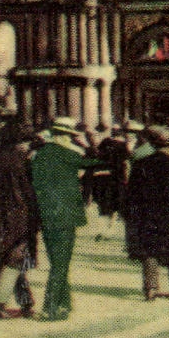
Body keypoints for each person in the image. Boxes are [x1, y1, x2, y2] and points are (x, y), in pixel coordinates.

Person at [28, 117, 102, 320]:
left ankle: (64, 304)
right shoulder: (67, 154)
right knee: (60, 264)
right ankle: (50, 307)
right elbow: (95, 161)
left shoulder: (39, 155)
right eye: (70, 137)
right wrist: (88, 144)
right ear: (64, 136)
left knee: (57, 261)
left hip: (46, 215)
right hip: (65, 216)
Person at [124, 127, 169, 302]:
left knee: (150, 250)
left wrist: (130, 213)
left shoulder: (140, 164)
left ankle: (151, 287)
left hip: (146, 213)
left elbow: (131, 192)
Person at [0, 123, 39, 319]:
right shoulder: (20, 162)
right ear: (17, 142)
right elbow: (28, 193)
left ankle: (24, 303)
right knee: (16, 260)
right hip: (17, 216)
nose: (27, 145)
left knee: (7, 260)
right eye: (25, 142)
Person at [90, 125, 130, 239]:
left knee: (104, 205)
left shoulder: (105, 142)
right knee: (116, 205)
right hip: (118, 179)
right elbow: (126, 164)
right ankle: (110, 231)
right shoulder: (123, 146)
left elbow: (98, 157)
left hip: (103, 177)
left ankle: (101, 230)